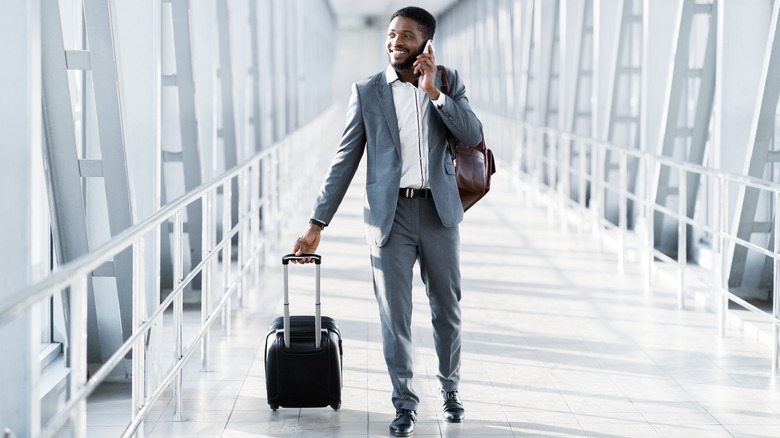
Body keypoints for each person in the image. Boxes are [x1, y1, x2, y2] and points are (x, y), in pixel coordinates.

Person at [292, 6, 482, 437]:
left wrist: (435, 93)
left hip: (439, 214)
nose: (396, 41)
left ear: (426, 43)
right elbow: (344, 161)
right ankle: (404, 403)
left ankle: (450, 391)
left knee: (447, 311)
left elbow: (471, 133)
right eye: (392, 34)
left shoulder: (448, 81)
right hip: (388, 217)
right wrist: (316, 223)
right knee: (394, 316)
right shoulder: (367, 91)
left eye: (408, 36)